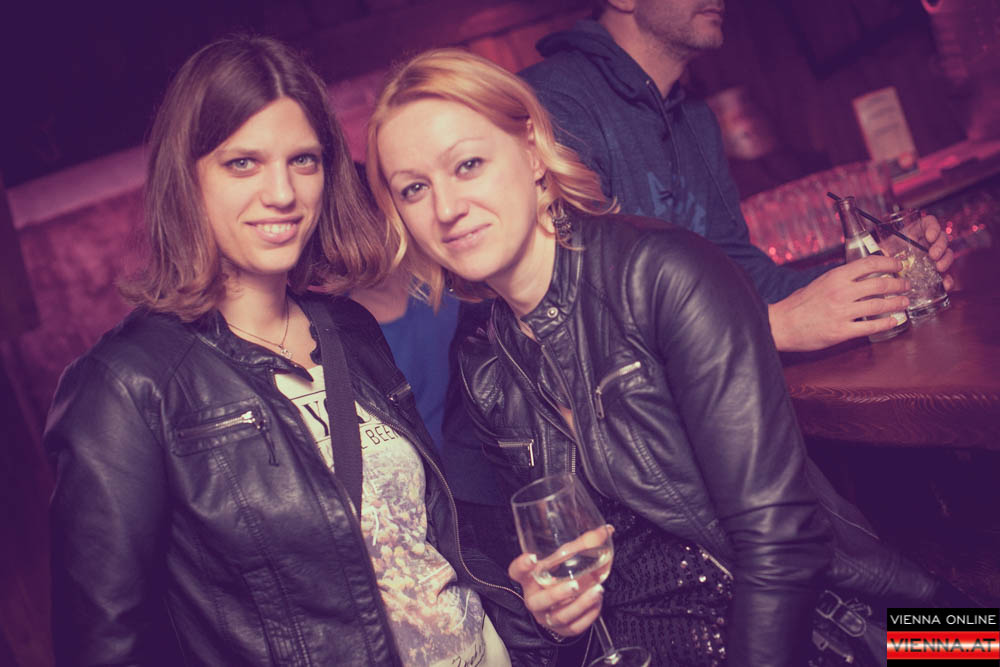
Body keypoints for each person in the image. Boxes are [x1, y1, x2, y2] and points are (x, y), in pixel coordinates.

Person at [366, 48, 957, 666]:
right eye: (414, 188)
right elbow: (527, 570)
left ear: (534, 152)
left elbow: (784, 543)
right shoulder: (483, 359)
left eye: (468, 165)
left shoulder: (662, 274)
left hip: (844, 631)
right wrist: (544, 605)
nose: (446, 208)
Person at [44, 35, 535, 666]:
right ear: (187, 177)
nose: (282, 193)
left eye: (303, 160)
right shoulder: (126, 385)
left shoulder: (347, 328)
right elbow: (105, 644)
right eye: (242, 163)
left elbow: (431, 537)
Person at [518, 0, 956, 352]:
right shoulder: (554, 104)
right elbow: (587, 323)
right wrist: (772, 328)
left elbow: (741, 276)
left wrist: (872, 271)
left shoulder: (695, 118)